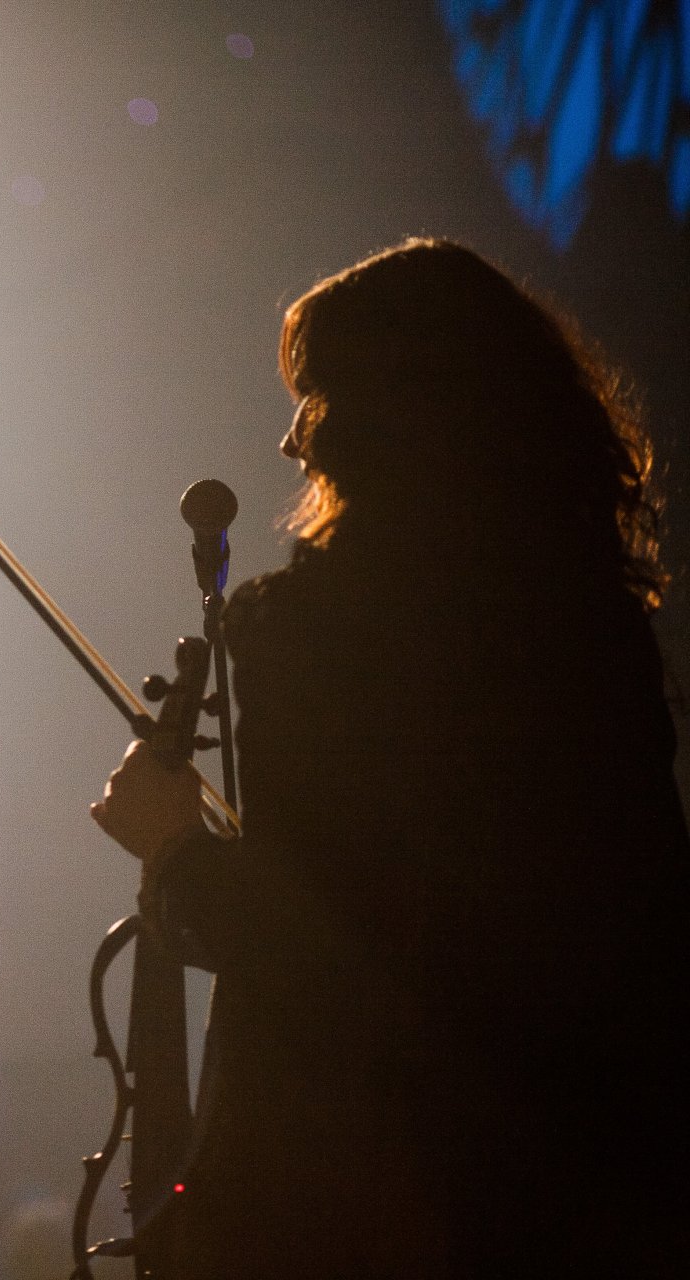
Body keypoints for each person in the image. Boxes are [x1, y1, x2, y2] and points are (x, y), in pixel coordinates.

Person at [89, 238, 690, 1278]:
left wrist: (179, 846)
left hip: (394, 1208)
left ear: (392, 413)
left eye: (316, 393)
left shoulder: (322, 629)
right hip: (607, 1190)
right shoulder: (596, 624)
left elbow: (341, 973)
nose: (291, 440)